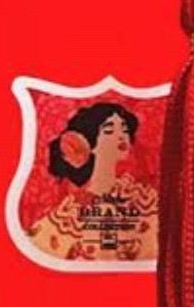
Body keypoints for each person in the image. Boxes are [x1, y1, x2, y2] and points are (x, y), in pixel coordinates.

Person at [28, 102, 157, 261]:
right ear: (89, 143)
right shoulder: (70, 213)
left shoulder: (142, 197)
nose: (121, 136)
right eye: (109, 131)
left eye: (124, 130)